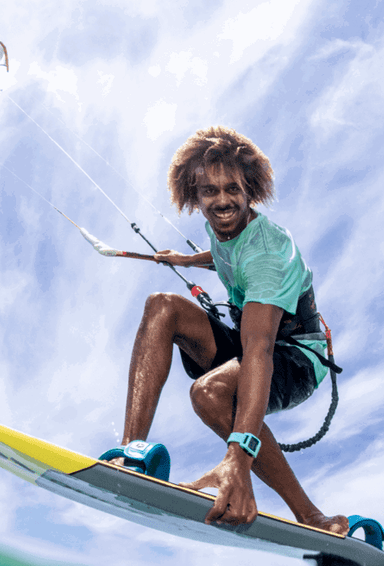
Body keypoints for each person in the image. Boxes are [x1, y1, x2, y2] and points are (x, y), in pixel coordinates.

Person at [104, 126, 348, 535]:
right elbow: (222, 253)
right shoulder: (221, 228)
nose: (221, 201)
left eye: (232, 189)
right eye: (209, 191)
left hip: (296, 359)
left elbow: (259, 352)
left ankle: (308, 514)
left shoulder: (268, 255)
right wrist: (185, 260)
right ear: (194, 197)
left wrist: (239, 457)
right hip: (252, 343)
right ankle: (130, 455)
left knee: (209, 392)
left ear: (250, 191)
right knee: (162, 306)